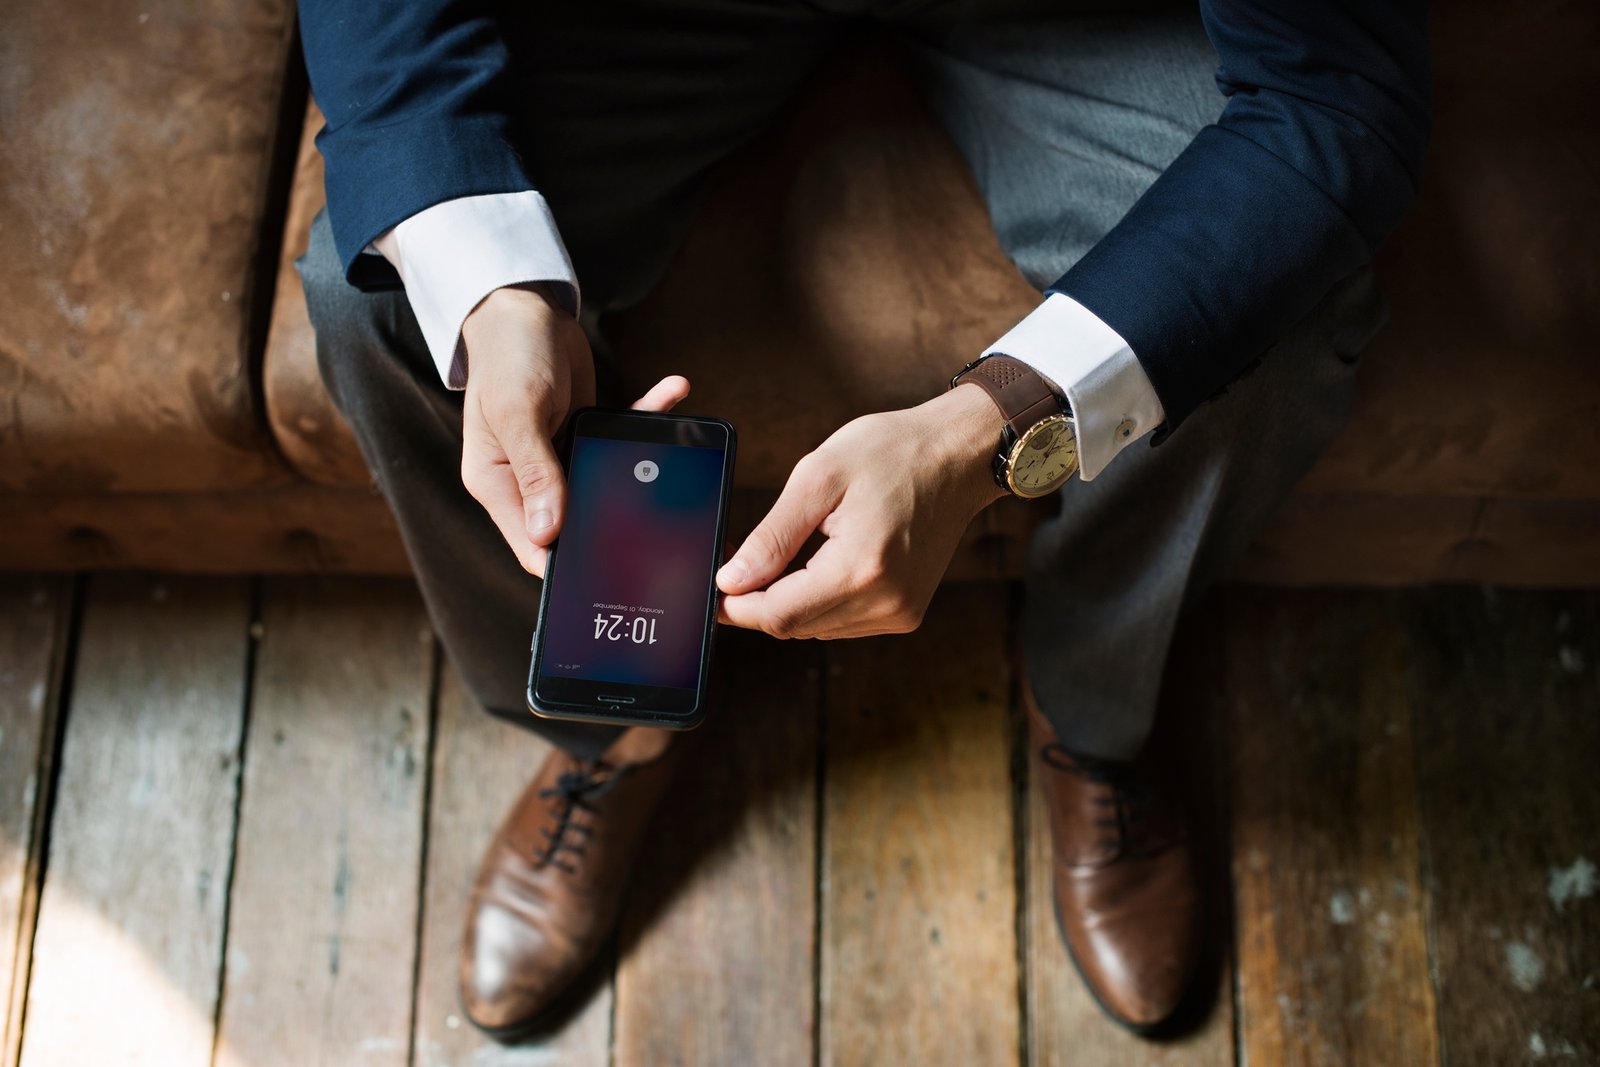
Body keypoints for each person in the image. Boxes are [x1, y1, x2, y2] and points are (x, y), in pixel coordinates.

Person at [295, 0, 1429, 1040]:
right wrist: (492, 292)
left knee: (1281, 322)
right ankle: (610, 725)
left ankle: (1091, 715)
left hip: (1084, 21)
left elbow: (1331, 98)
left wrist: (986, 428)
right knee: (377, 300)